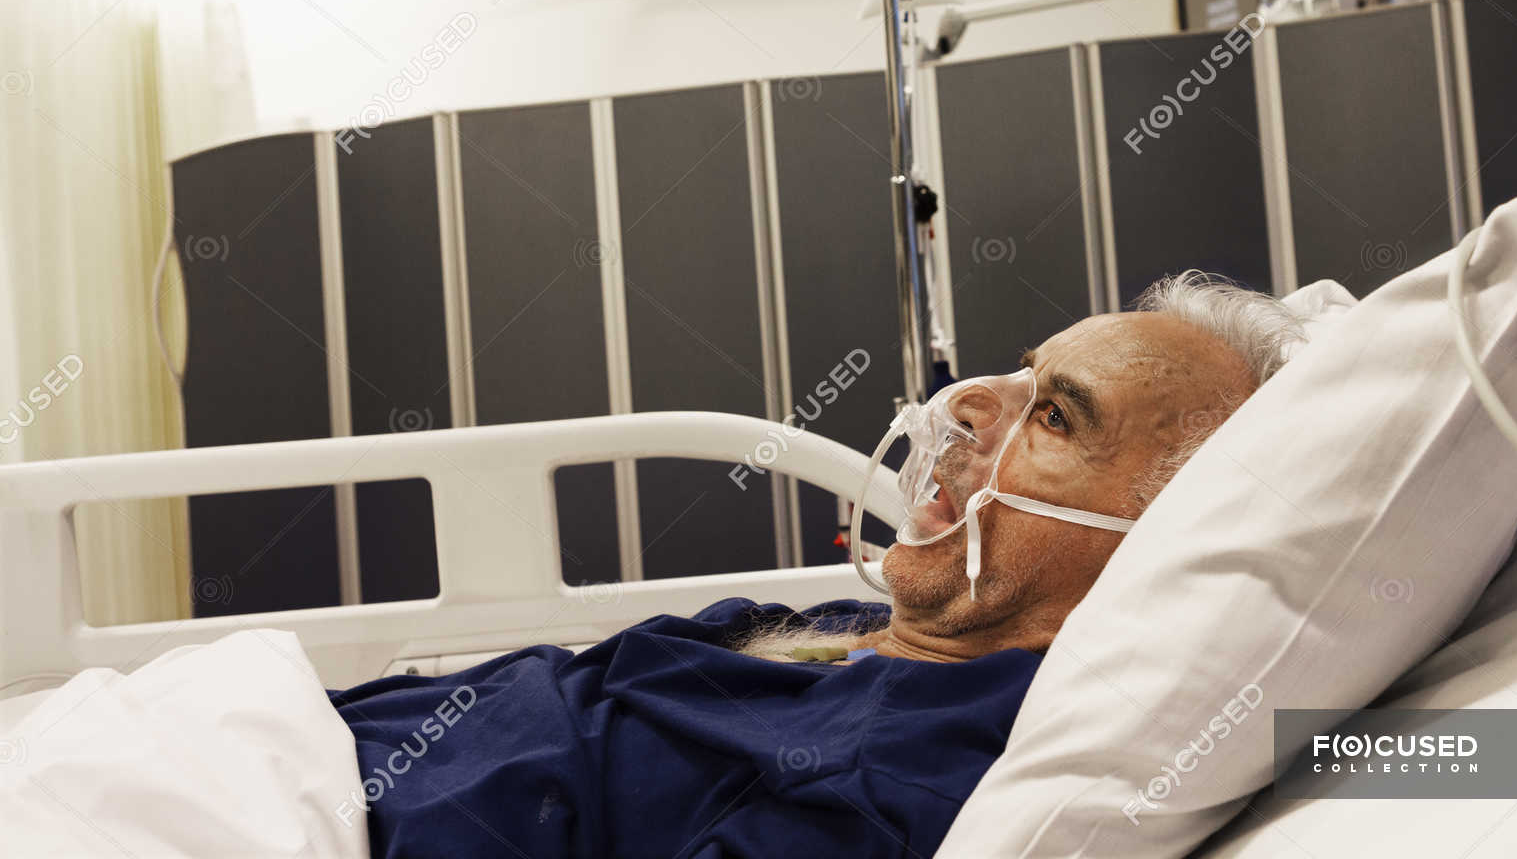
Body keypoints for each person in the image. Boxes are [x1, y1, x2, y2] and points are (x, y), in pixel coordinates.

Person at [331, 272, 1303, 858]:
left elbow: (1452, 759)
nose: (968, 409)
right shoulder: (850, 639)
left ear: (1164, 538)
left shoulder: (896, 779)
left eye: (1053, 415)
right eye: (1019, 374)